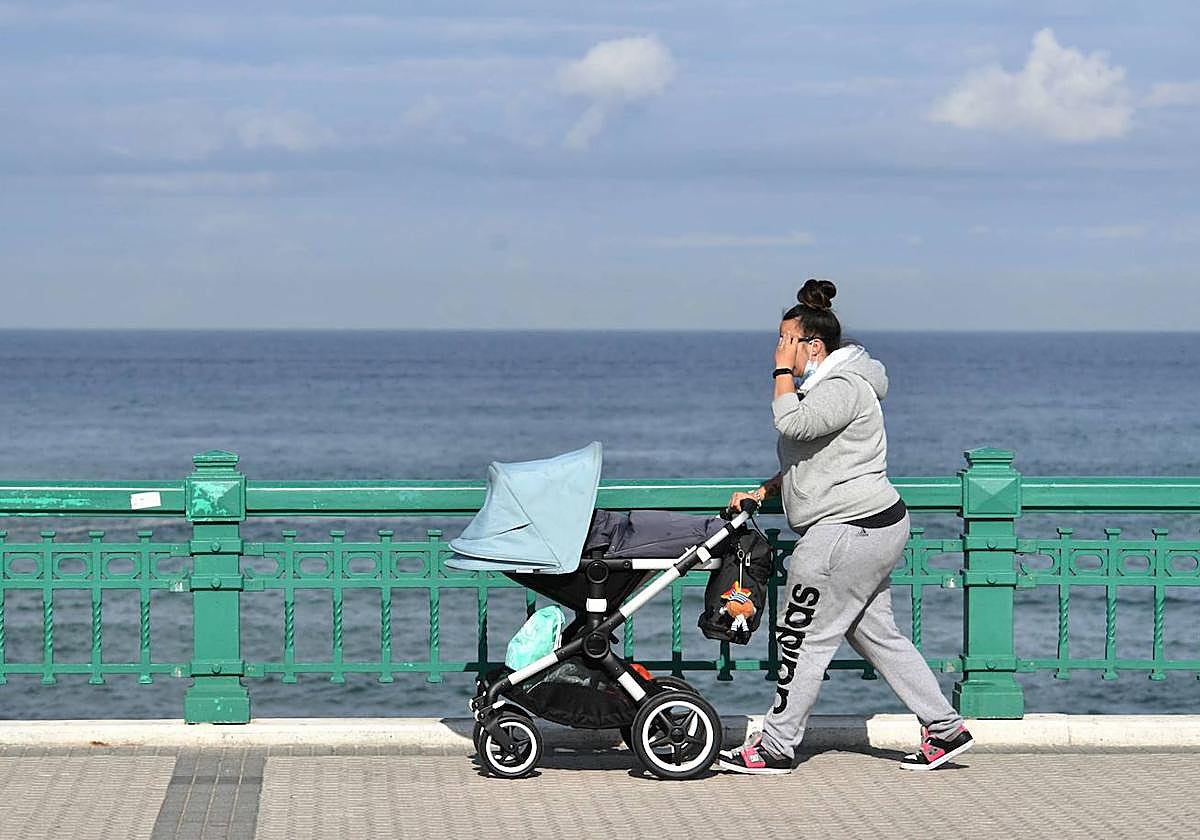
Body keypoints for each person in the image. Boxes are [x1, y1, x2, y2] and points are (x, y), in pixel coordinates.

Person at [717, 278, 973, 774]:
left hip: (846, 529)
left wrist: (779, 371)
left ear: (812, 345)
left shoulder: (842, 386)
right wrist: (769, 490)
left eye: (785, 339)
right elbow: (818, 455)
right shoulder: (835, 385)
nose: (777, 347)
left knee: (801, 635)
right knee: (876, 634)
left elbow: (792, 425)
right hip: (870, 524)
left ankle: (774, 747)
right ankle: (945, 728)